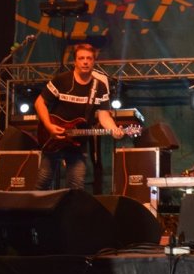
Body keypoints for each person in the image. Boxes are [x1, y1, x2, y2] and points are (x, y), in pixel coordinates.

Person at [33, 43, 125, 190]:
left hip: (78, 142)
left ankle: (72, 206)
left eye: (89, 58)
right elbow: (39, 103)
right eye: (81, 58)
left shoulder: (99, 86)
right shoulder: (62, 80)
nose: (85, 62)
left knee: (76, 186)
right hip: (54, 138)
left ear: (94, 62)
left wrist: (114, 129)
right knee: (43, 182)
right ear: (75, 61)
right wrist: (49, 126)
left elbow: (104, 115)